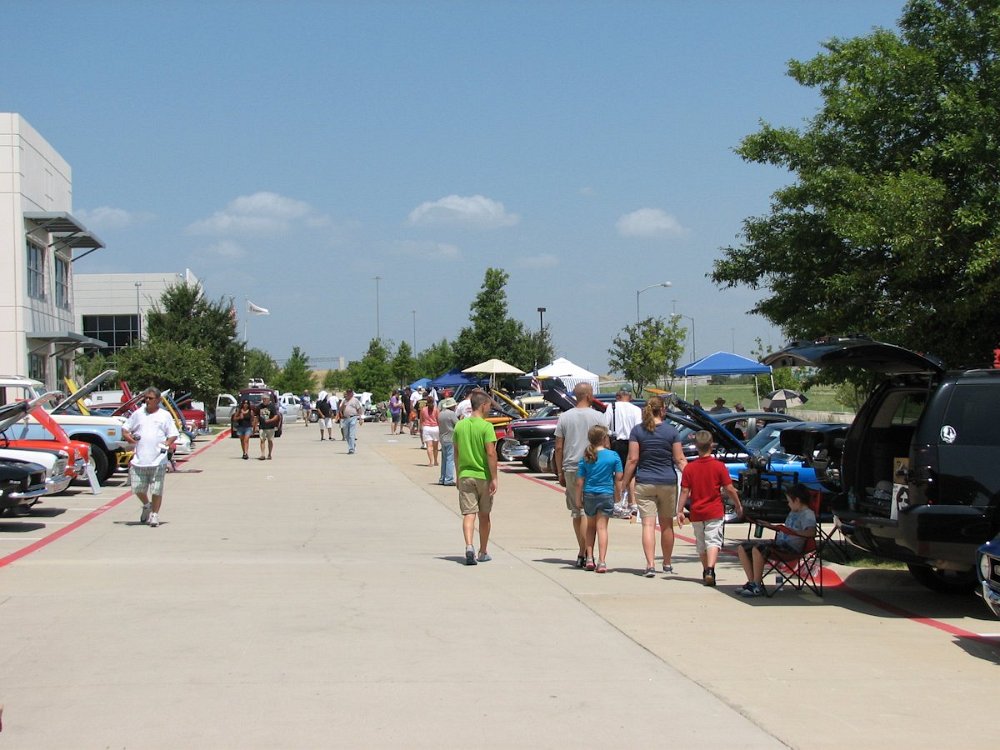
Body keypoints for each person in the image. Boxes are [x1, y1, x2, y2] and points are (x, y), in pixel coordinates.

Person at [621, 395, 688, 577]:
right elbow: (679, 459)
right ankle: (667, 563)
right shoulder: (672, 431)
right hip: (667, 482)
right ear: (663, 410)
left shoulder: (637, 431)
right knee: (667, 525)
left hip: (645, 481)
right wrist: (693, 478)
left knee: (648, 525)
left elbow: (633, 459)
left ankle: (650, 565)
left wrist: (624, 482)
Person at [677, 430, 743, 586]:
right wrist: (738, 504)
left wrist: (679, 510)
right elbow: (729, 488)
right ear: (711, 445)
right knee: (713, 540)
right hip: (714, 510)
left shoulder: (690, 468)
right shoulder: (719, 466)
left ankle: (705, 569)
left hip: (697, 511)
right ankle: (710, 570)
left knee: (701, 543)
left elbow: (685, 491)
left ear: (696, 446)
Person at [553, 382, 607, 568]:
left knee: (577, 511)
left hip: (571, 466)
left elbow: (558, 447)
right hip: (594, 465)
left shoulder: (564, 417)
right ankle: (588, 552)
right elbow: (606, 444)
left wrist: (559, 471)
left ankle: (582, 551)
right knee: (590, 511)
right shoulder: (599, 416)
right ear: (589, 396)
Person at [737, 483, 816, 597]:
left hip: (790, 548)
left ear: (797, 500)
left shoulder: (807, 514)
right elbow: (785, 529)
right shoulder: (794, 511)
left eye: (789, 501)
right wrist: (770, 526)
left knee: (758, 549)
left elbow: (812, 532)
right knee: (743, 547)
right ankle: (752, 582)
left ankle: (757, 586)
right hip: (780, 544)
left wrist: (793, 532)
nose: (788, 504)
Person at [122, 387, 179, 528]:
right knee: (137, 488)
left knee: (156, 489)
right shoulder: (138, 413)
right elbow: (125, 429)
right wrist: (129, 437)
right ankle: (147, 505)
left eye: (150, 398)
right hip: (140, 459)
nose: (147, 400)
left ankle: (154, 514)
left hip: (158, 459)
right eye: (145, 398)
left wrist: (167, 443)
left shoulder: (164, 415)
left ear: (158, 400)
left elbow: (173, 434)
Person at [452, 391, 498, 565]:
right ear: (483, 405)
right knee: (484, 515)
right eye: (489, 406)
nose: (490, 409)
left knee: (469, 514)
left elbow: (456, 452)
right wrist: (494, 478)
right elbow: (491, 453)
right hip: (483, 476)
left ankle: (469, 546)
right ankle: (483, 551)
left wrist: (458, 474)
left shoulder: (460, 426)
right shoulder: (486, 427)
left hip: (465, 474)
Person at [575, 424, 623, 573]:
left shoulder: (586, 456)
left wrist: (578, 498)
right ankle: (602, 561)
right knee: (602, 528)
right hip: (606, 493)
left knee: (590, 527)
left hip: (589, 493)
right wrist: (618, 494)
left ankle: (589, 558)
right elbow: (619, 478)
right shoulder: (613, 456)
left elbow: (579, 481)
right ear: (604, 438)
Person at [605, 389, 642, 515]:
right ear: (630, 397)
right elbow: (638, 428)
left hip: (617, 442)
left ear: (618, 396)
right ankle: (633, 503)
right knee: (632, 473)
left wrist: (609, 437)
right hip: (633, 442)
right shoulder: (636, 409)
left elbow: (605, 426)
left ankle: (618, 502)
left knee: (618, 473)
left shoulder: (612, 407)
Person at [437, 397, 458, 485]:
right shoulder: (451, 414)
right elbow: (457, 424)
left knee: (444, 459)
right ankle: (448, 479)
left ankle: (442, 478)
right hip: (450, 438)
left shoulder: (441, 414)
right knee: (450, 459)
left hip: (442, 438)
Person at [255, 393, 281, 460]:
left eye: (265, 399)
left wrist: (270, 420)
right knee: (262, 440)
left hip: (270, 427)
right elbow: (257, 417)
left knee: (270, 440)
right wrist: (255, 426)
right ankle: (262, 454)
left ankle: (269, 454)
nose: (264, 400)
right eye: (263, 399)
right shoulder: (259, 407)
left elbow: (276, 416)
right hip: (262, 426)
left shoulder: (272, 406)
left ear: (268, 399)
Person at [339, 388, 364, 454]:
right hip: (345, 418)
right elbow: (340, 409)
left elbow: (359, 409)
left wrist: (361, 418)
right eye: (348, 392)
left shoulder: (355, 400)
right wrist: (343, 407)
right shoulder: (344, 400)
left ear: (352, 393)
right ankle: (352, 445)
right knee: (346, 435)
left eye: (350, 392)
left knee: (351, 434)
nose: (349, 394)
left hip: (353, 417)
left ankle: (351, 449)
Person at [420, 393, 440, 466]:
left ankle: (431, 461)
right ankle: (435, 461)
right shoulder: (436, 410)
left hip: (427, 428)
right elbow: (438, 420)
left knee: (429, 446)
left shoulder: (423, 410)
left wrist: (421, 428)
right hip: (435, 428)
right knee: (435, 447)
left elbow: (421, 420)